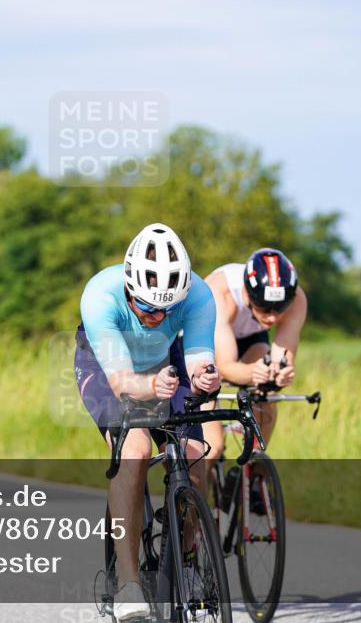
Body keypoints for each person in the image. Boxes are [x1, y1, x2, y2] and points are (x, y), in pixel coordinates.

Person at [74, 223, 221, 622]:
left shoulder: (198, 295)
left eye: (168, 308)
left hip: (165, 362)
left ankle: (186, 557)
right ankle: (127, 582)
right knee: (135, 451)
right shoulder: (100, 297)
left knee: (194, 453)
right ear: (128, 287)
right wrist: (150, 385)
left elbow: (198, 357)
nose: (158, 315)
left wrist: (207, 375)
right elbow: (123, 382)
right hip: (107, 366)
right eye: (148, 307)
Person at [202, 249, 307, 469]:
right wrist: (252, 373)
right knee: (213, 447)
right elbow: (225, 366)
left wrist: (279, 374)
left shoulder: (296, 299)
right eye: (265, 308)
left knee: (266, 390)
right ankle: (197, 498)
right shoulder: (221, 292)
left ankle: (254, 471)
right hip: (206, 344)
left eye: (279, 309)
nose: (272, 317)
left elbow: (281, 358)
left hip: (250, 337)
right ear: (248, 294)